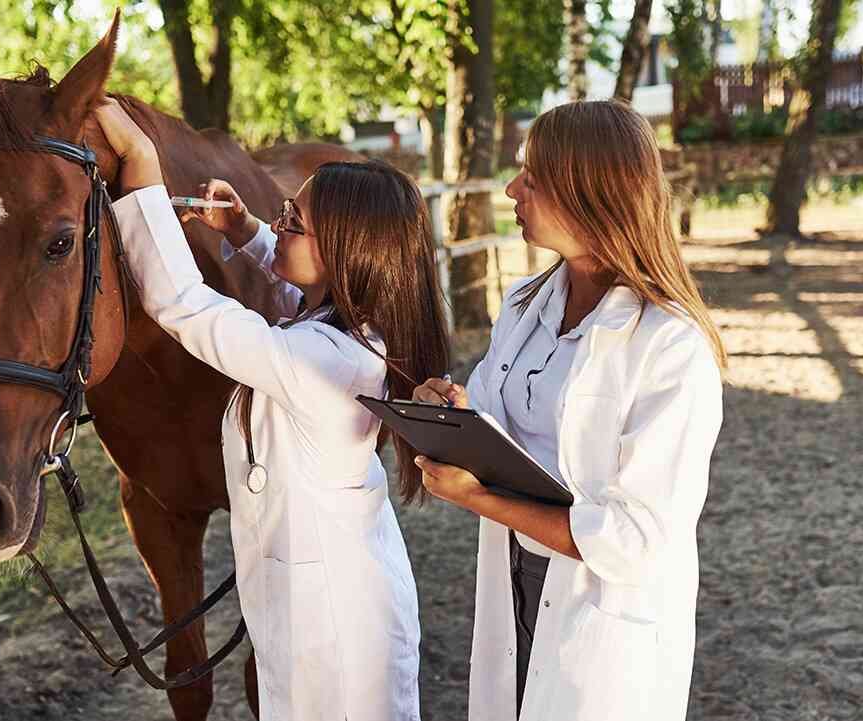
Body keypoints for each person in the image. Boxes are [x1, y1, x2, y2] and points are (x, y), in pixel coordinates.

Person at [94, 98, 448, 721]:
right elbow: (294, 290)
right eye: (284, 213)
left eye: (293, 222)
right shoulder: (341, 324)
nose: (278, 224)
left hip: (336, 623)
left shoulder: (324, 359)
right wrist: (242, 231)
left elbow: (186, 306)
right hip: (309, 600)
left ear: (345, 251)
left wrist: (145, 171)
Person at [412, 100, 726, 721]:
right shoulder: (526, 303)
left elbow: (635, 540)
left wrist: (478, 499)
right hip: (516, 580)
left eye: (532, 177)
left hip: (603, 615)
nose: (511, 190)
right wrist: (453, 411)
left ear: (590, 191)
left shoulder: (669, 344)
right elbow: (502, 422)